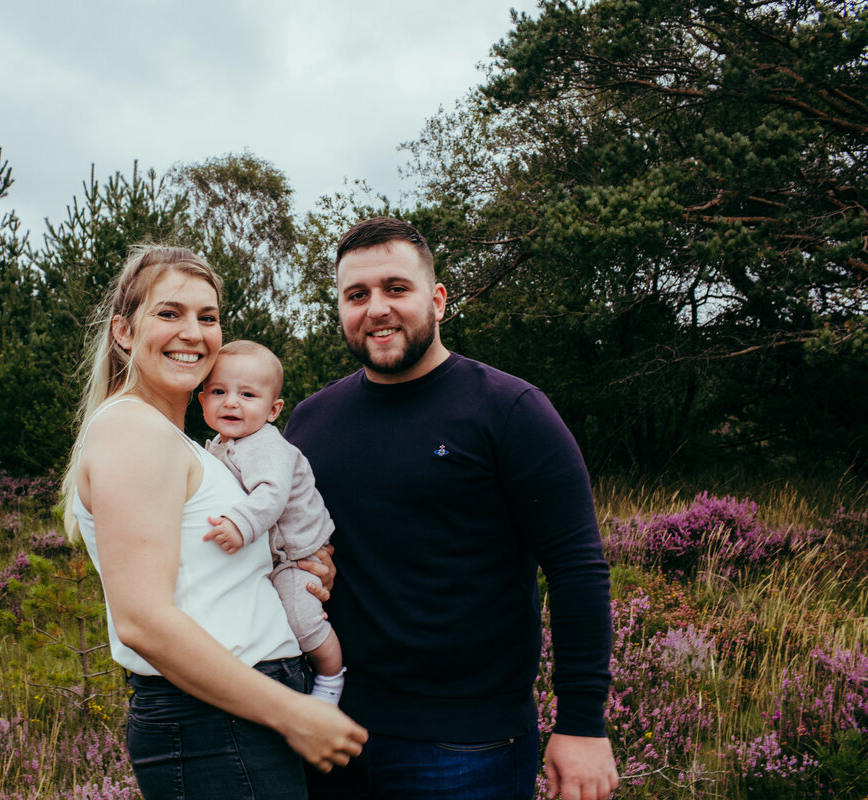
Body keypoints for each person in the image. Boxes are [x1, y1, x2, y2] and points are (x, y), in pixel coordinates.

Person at [284, 217, 619, 800]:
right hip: (327, 730)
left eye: (396, 288)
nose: (376, 308)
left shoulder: (511, 410)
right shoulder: (310, 422)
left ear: (438, 299)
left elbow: (576, 569)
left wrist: (582, 725)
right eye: (356, 295)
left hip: (468, 746)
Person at [60, 245, 367, 800]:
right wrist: (294, 712)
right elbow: (143, 621)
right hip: (213, 718)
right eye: (169, 313)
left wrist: (303, 563)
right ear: (124, 332)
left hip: (238, 708)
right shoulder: (133, 431)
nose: (193, 333)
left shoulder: (190, 443)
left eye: (208, 317)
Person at [198, 340, 346, 705]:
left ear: (274, 409)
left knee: (302, 619)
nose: (231, 402)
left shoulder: (267, 446)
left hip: (298, 552)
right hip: (274, 554)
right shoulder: (219, 443)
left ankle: (331, 677)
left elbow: (271, 495)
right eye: (218, 392)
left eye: (247, 394)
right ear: (201, 400)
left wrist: (239, 524)